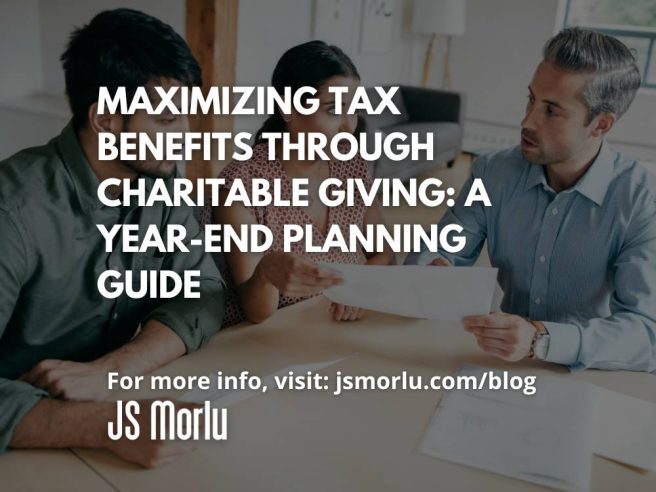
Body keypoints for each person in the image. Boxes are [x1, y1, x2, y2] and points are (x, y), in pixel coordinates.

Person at [0, 9, 226, 467]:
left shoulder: (159, 181)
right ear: (105, 120)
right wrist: (106, 425)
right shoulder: (14, 210)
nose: (184, 137)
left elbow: (201, 294)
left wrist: (114, 371)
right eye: (165, 121)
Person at [406, 28, 656, 372]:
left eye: (551, 111)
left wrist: (542, 339)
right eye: (530, 100)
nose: (526, 121)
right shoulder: (492, 172)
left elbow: (647, 332)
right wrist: (434, 266)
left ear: (601, 124)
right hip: (498, 364)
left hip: (592, 372)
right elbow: (441, 248)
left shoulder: (641, 200)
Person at [203, 41, 394, 326]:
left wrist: (357, 292)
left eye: (353, 110)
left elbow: (384, 253)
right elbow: (256, 311)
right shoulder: (242, 184)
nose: (347, 126)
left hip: (343, 329)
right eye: (333, 110)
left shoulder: (351, 165)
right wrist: (268, 272)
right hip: (270, 342)